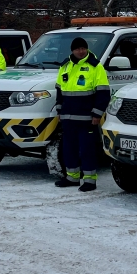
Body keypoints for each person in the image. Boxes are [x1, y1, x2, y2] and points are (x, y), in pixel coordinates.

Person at [53, 37, 111, 192]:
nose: (80, 51)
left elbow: (103, 93)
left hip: (87, 117)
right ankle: (72, 177)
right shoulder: (65, 66)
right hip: (67, 117)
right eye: (77, 49)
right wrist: (59, 110)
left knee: (87, 150)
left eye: (83, 48)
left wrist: (97, 114)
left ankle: (90, 181)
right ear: (72, 50)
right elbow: (59, 90)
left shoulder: (95, 66)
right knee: (69, 149)